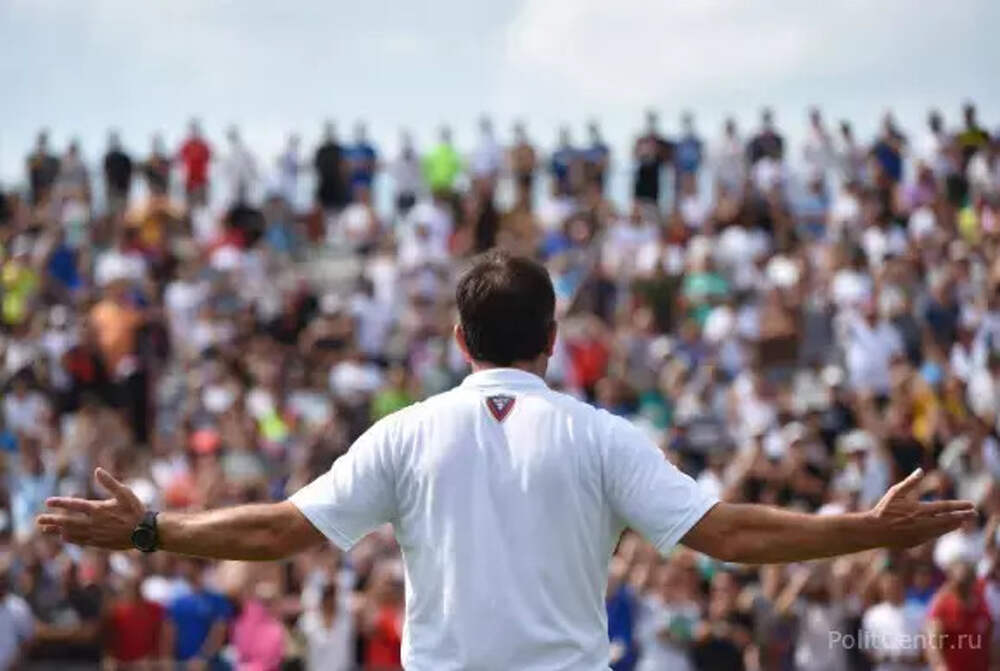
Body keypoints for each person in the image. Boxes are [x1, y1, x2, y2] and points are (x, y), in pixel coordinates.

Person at [38, 250, 977, 670]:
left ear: (458, 339)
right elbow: (730, 536)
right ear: (553, 338)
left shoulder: (406, 431)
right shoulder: (601, 434)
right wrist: (868, 528)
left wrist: (151, 529)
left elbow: (282, 530)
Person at [633, 110, 671, 207]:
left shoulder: (662, 141)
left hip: (657, 181)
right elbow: (634, 155)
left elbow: (667, 158)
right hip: (642, 180)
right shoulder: (641, 140)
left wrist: (656, 150)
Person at [314, 121, 349, 212]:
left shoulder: (339, 149)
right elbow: (317, 168)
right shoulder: (321, 150)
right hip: (325, 188)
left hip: (338, 190)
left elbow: (345, 167)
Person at [178, 119, 213, 207]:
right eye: (192, 129)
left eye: (195, 129)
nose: (194, 132)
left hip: (201, 183)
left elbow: (211, 160)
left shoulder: (204, 146)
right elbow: (179, 161)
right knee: (189, 208)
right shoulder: (185, 146)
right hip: (189, 184)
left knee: (202, 208)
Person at [103, 130, 133, 215]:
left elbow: (129, 174)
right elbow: (106, 175)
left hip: (121, 191)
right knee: (114, 212)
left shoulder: (124, 158)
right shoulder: (108, 158)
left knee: (122, 212)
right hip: (114, 191)